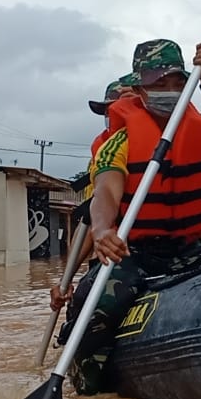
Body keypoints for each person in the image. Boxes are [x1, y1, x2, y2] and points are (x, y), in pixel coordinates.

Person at [61, 37, 201, 395]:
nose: (169, 90)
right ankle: (87, 383)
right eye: (158, 83)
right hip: (136, 253)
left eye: (178, 82)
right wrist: (102, 230)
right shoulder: (120, 142)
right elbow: (105, 193)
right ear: (139, 88)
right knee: (99, 306)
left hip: (190, 249)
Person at [50, 73, 138, 313]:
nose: (114, 116)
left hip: (162, 246)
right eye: (109, 112)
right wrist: (65, 279)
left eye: (122, 108)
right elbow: (89, 221)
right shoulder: (104, 155)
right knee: (86, 304)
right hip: (116, 252)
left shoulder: (165, 139)